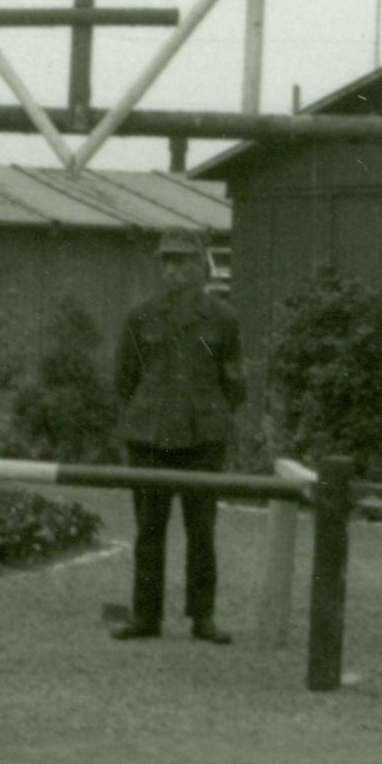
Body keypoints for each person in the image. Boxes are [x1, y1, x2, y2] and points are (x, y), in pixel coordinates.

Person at [110, 230, 244, 643]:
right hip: (149, 438)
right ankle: (145, 617)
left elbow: (235, 385)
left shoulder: (223, 318)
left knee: (201, 532)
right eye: (167, 262)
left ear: (200, 267)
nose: (174, 270)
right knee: (149, 531)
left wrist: (207, 416)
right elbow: (123, 379)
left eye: (183, 262)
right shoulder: (140, 316)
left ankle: (202, 618)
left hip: (202, 440)